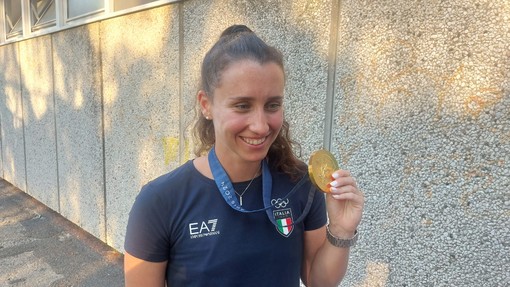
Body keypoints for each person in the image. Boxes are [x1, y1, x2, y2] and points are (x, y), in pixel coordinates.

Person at [124, 24, 364, 287]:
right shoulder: (160, 201)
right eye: (242, 105)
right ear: (206, 105)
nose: (261, 125)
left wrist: (341, 230)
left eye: (272, 105)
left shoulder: (300, 184)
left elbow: (318, 282)